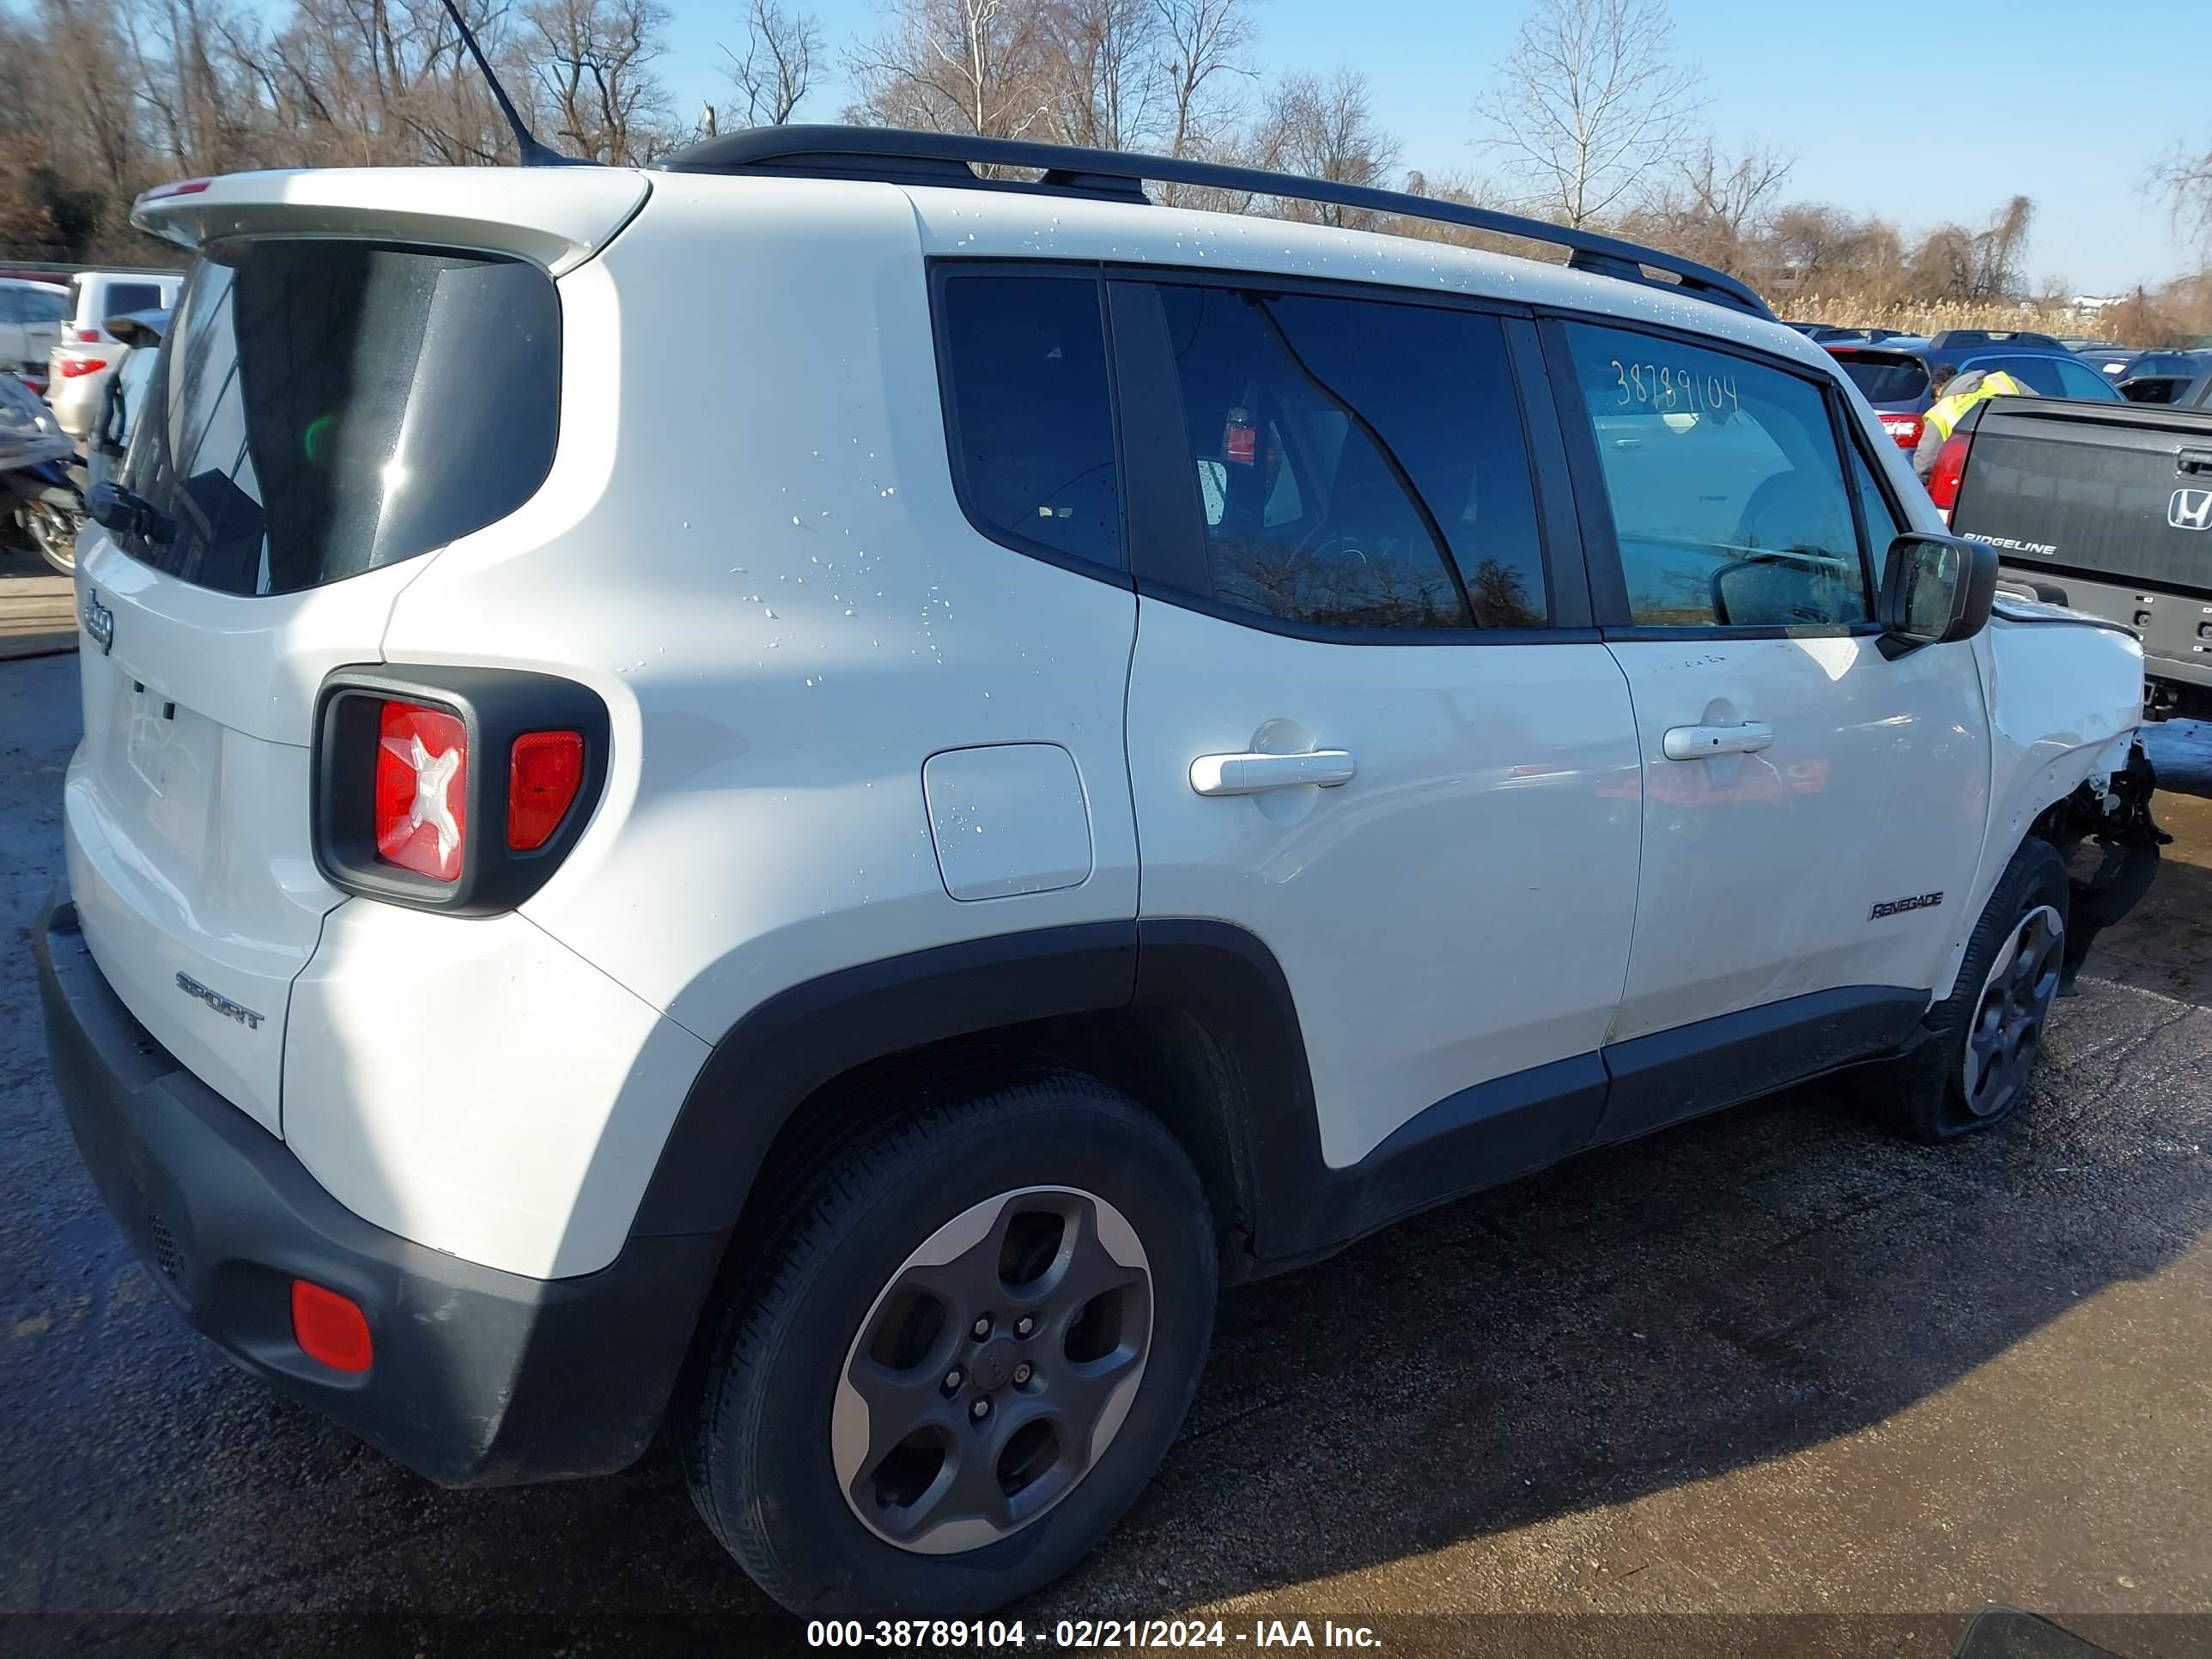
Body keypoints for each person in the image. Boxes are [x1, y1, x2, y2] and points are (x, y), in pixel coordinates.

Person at [1913, 362, 2031, 481]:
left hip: (1980, 481)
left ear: (1938, 390)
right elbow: (2043, 411)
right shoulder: (2003, 381)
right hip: (2030, 469)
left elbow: (1925, 466)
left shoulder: (1941, 412)